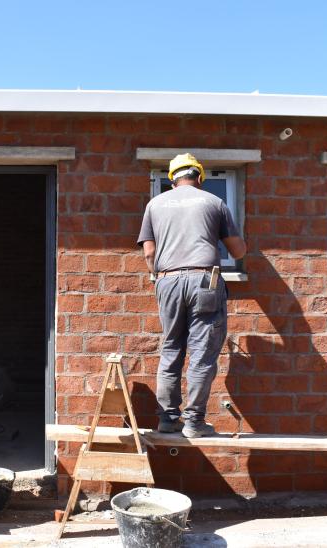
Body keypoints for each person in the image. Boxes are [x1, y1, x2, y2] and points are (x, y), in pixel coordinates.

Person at [137, 153, 247, 438]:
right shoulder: (214, 202)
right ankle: (194, 423)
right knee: (202, 353)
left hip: (167, 279)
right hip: (204, 279)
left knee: (171, 348)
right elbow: (239, 251)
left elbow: (149, 253)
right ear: (199, 177)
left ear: (171, 179)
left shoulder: (155, 204)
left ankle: (167, 419)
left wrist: (160, 276)